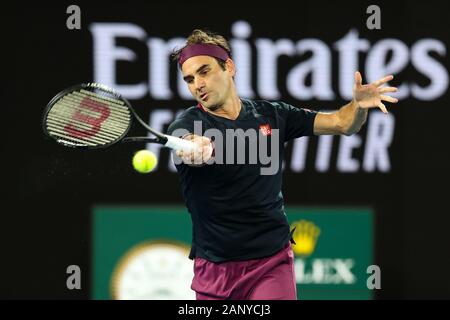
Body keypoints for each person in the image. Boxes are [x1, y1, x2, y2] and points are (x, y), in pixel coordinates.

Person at [167, 29, 398, 300]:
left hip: (270, 262)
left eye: (204, 72)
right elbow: (185, 143)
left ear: (229, 66)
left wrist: (358, 106)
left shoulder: (272, 115)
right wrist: (195, 148)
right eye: (190, 79)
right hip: (215, 269)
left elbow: (342, 123)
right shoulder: (187, 124)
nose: (198, 85)